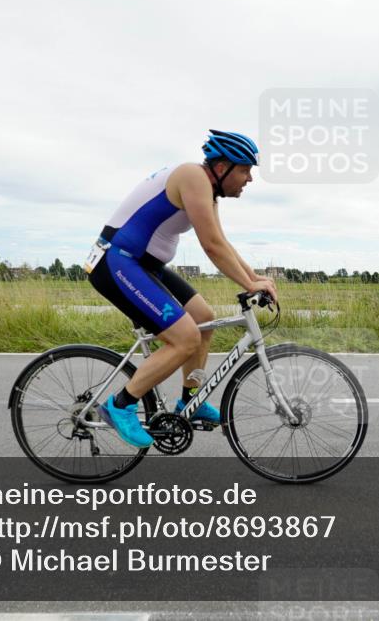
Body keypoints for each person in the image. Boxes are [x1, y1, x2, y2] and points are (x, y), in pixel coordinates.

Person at [86, 130, 277, 448]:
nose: (249, 179)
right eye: (245, 170)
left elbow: (223, 242)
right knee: (184, 337)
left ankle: (192, 400)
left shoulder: (207, 189)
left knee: (203, 317)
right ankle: (120, 405)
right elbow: (212, 246)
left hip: (142, 265)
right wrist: (249, 284)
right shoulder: (192, 176)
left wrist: (255, 277)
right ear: (222, 168)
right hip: (117, 262)